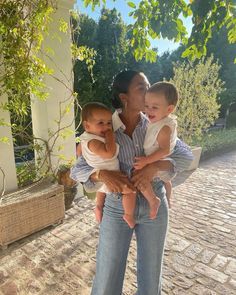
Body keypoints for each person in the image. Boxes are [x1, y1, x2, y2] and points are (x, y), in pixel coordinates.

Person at [70, 70, 193, 295]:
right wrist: (101, 175)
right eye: (141, 88)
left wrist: (155, 167)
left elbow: (185, 156)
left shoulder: (157, 123)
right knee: (107, 274)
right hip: (117, 206)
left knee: (151, 275)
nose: (149, 92)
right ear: (124, 97)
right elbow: (77, 169)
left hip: (153, 201)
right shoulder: (103, 125)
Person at [77, 102, 160, 228]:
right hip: (113, 177)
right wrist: (111, 136)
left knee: (101, 191)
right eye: (101, 123)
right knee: (130, 191)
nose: (107, 127)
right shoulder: (94, 141)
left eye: (109, 123)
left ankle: (99, 207)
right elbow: (109, 153)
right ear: (87, 125)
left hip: (105, 176)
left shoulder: (86, 138)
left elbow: (78, 153)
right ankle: (129, 214)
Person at [134, 81, 179, 208]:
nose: (148, 111)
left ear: (169, 109)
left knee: (141, 179)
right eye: (146, 106)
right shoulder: (156, 120)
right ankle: (168, 199)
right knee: (167, 182)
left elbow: (164, 150)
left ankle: (154, 201)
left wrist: (146, 161)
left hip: (159, 160)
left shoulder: (164, 127)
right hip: (155, 159)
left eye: (154, 107)